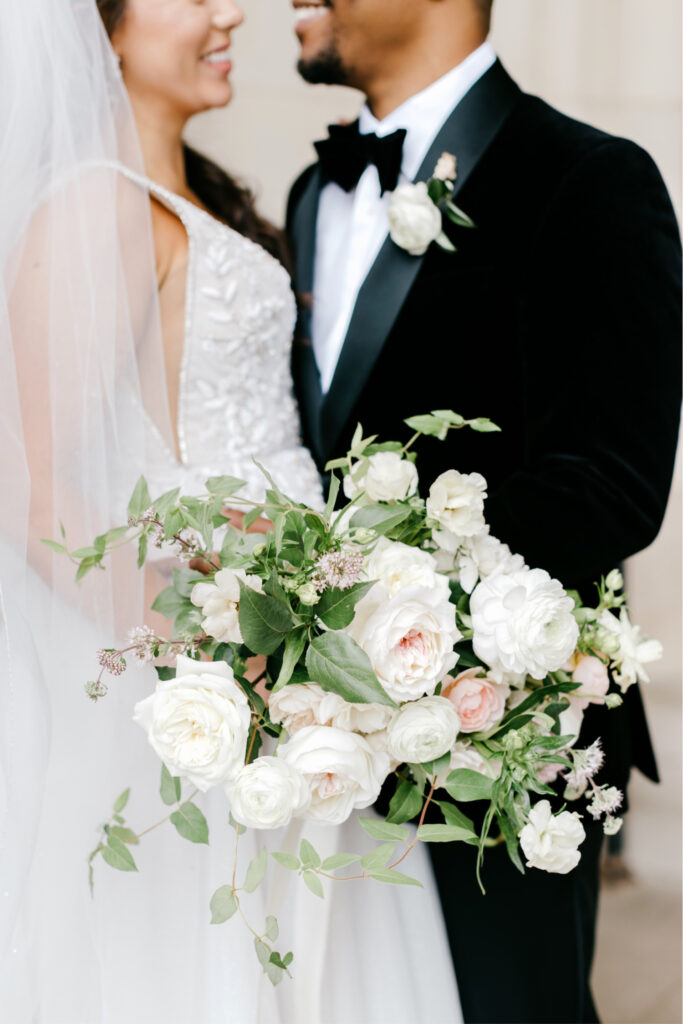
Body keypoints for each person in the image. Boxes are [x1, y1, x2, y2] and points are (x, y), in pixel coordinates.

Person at [0, 1, 460, 1021]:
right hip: (203, 674)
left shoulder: (193, 198)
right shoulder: (96, 206)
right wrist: (202, 653)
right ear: (99, 28)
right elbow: (33, 487)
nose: (228, 12)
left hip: (290, 667)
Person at [287, 0, 682, 1021]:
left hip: (499, 756)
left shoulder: (589, 180)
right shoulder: (307, 194)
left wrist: (366, 608)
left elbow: (610, 480)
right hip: (309, 755)